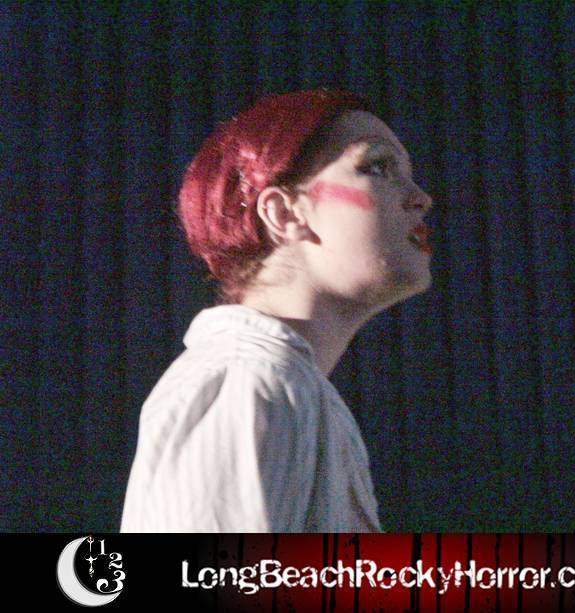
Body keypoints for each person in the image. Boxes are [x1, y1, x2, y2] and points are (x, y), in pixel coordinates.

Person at [120, 89, 434, 532]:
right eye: (378, 167)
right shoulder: (248, 379)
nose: (421, 198)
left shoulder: (292, 390)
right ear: (284, 214)